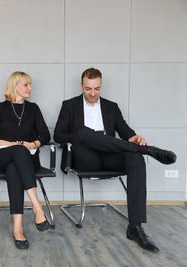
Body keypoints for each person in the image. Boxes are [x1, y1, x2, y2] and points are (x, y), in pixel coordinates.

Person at [54, 68, 176, 253]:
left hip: (110, 155)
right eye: (88, 89)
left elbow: (126, 132)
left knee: (136, 160)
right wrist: (86, 136)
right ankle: (148, 151)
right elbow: (58, 134)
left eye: (97, 88)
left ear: (101, 85)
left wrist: (134, 138)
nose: (93, 93)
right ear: (82, 86)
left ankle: (135, 227)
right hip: (86, 158)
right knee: (82, 132)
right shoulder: (69, 105)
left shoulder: (111, 106)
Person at [0, 71, 51, 250]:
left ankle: (18, 228)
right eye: (26, 85)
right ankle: (37, 207)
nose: (30, 88)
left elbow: (45, 134)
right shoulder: (0, 108)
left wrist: (32, 144)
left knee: (14, 169)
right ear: (15, 86)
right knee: (16, 153)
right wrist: (12, 144)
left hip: (28, 158)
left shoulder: (33, 108)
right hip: (2, 155)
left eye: (30, 85)